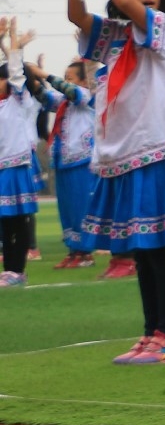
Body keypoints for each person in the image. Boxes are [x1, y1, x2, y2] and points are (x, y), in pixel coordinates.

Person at [70, 0, 165, 361]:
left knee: (161, 248)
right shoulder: (117, 38)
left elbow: (127, 2)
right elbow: (76, 16)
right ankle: (151, 334)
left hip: (155, 150)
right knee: (141, 250)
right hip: (124, 155)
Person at [28, 54, 97, 270]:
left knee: (80, 208)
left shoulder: (85, 96)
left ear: (84, 82)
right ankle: (72, 251)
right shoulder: (63, 103)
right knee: (66, 210)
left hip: (81, 161)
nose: (67, 82)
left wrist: (44, 74)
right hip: (62, 161)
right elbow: (43, 96)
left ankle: (85, 253)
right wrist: (30, 76)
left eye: (71, 78)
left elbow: (69, 90)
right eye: (65, 77)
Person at [0, 21, 40, 286]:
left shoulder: (20, 101)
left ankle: (18, 270)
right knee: (4, 224)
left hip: (16, 168)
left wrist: (13, 44)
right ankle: (10, 269)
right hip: (2, 170)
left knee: (18, 221)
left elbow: (16, 73)